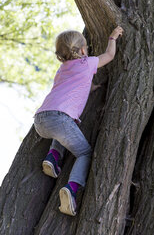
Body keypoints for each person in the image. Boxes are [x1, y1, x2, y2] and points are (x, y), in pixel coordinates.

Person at [34, 26, 123, 216]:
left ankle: (53, 157)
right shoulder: (86, 62)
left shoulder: (62, 69)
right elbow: (109, 55)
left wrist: (90, 88)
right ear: (82, 50)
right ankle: (72, 188)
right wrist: (113, 37)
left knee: (66, 127)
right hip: (60, 118)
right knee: (84, 153)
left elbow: (70, 85)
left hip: (41, 120)